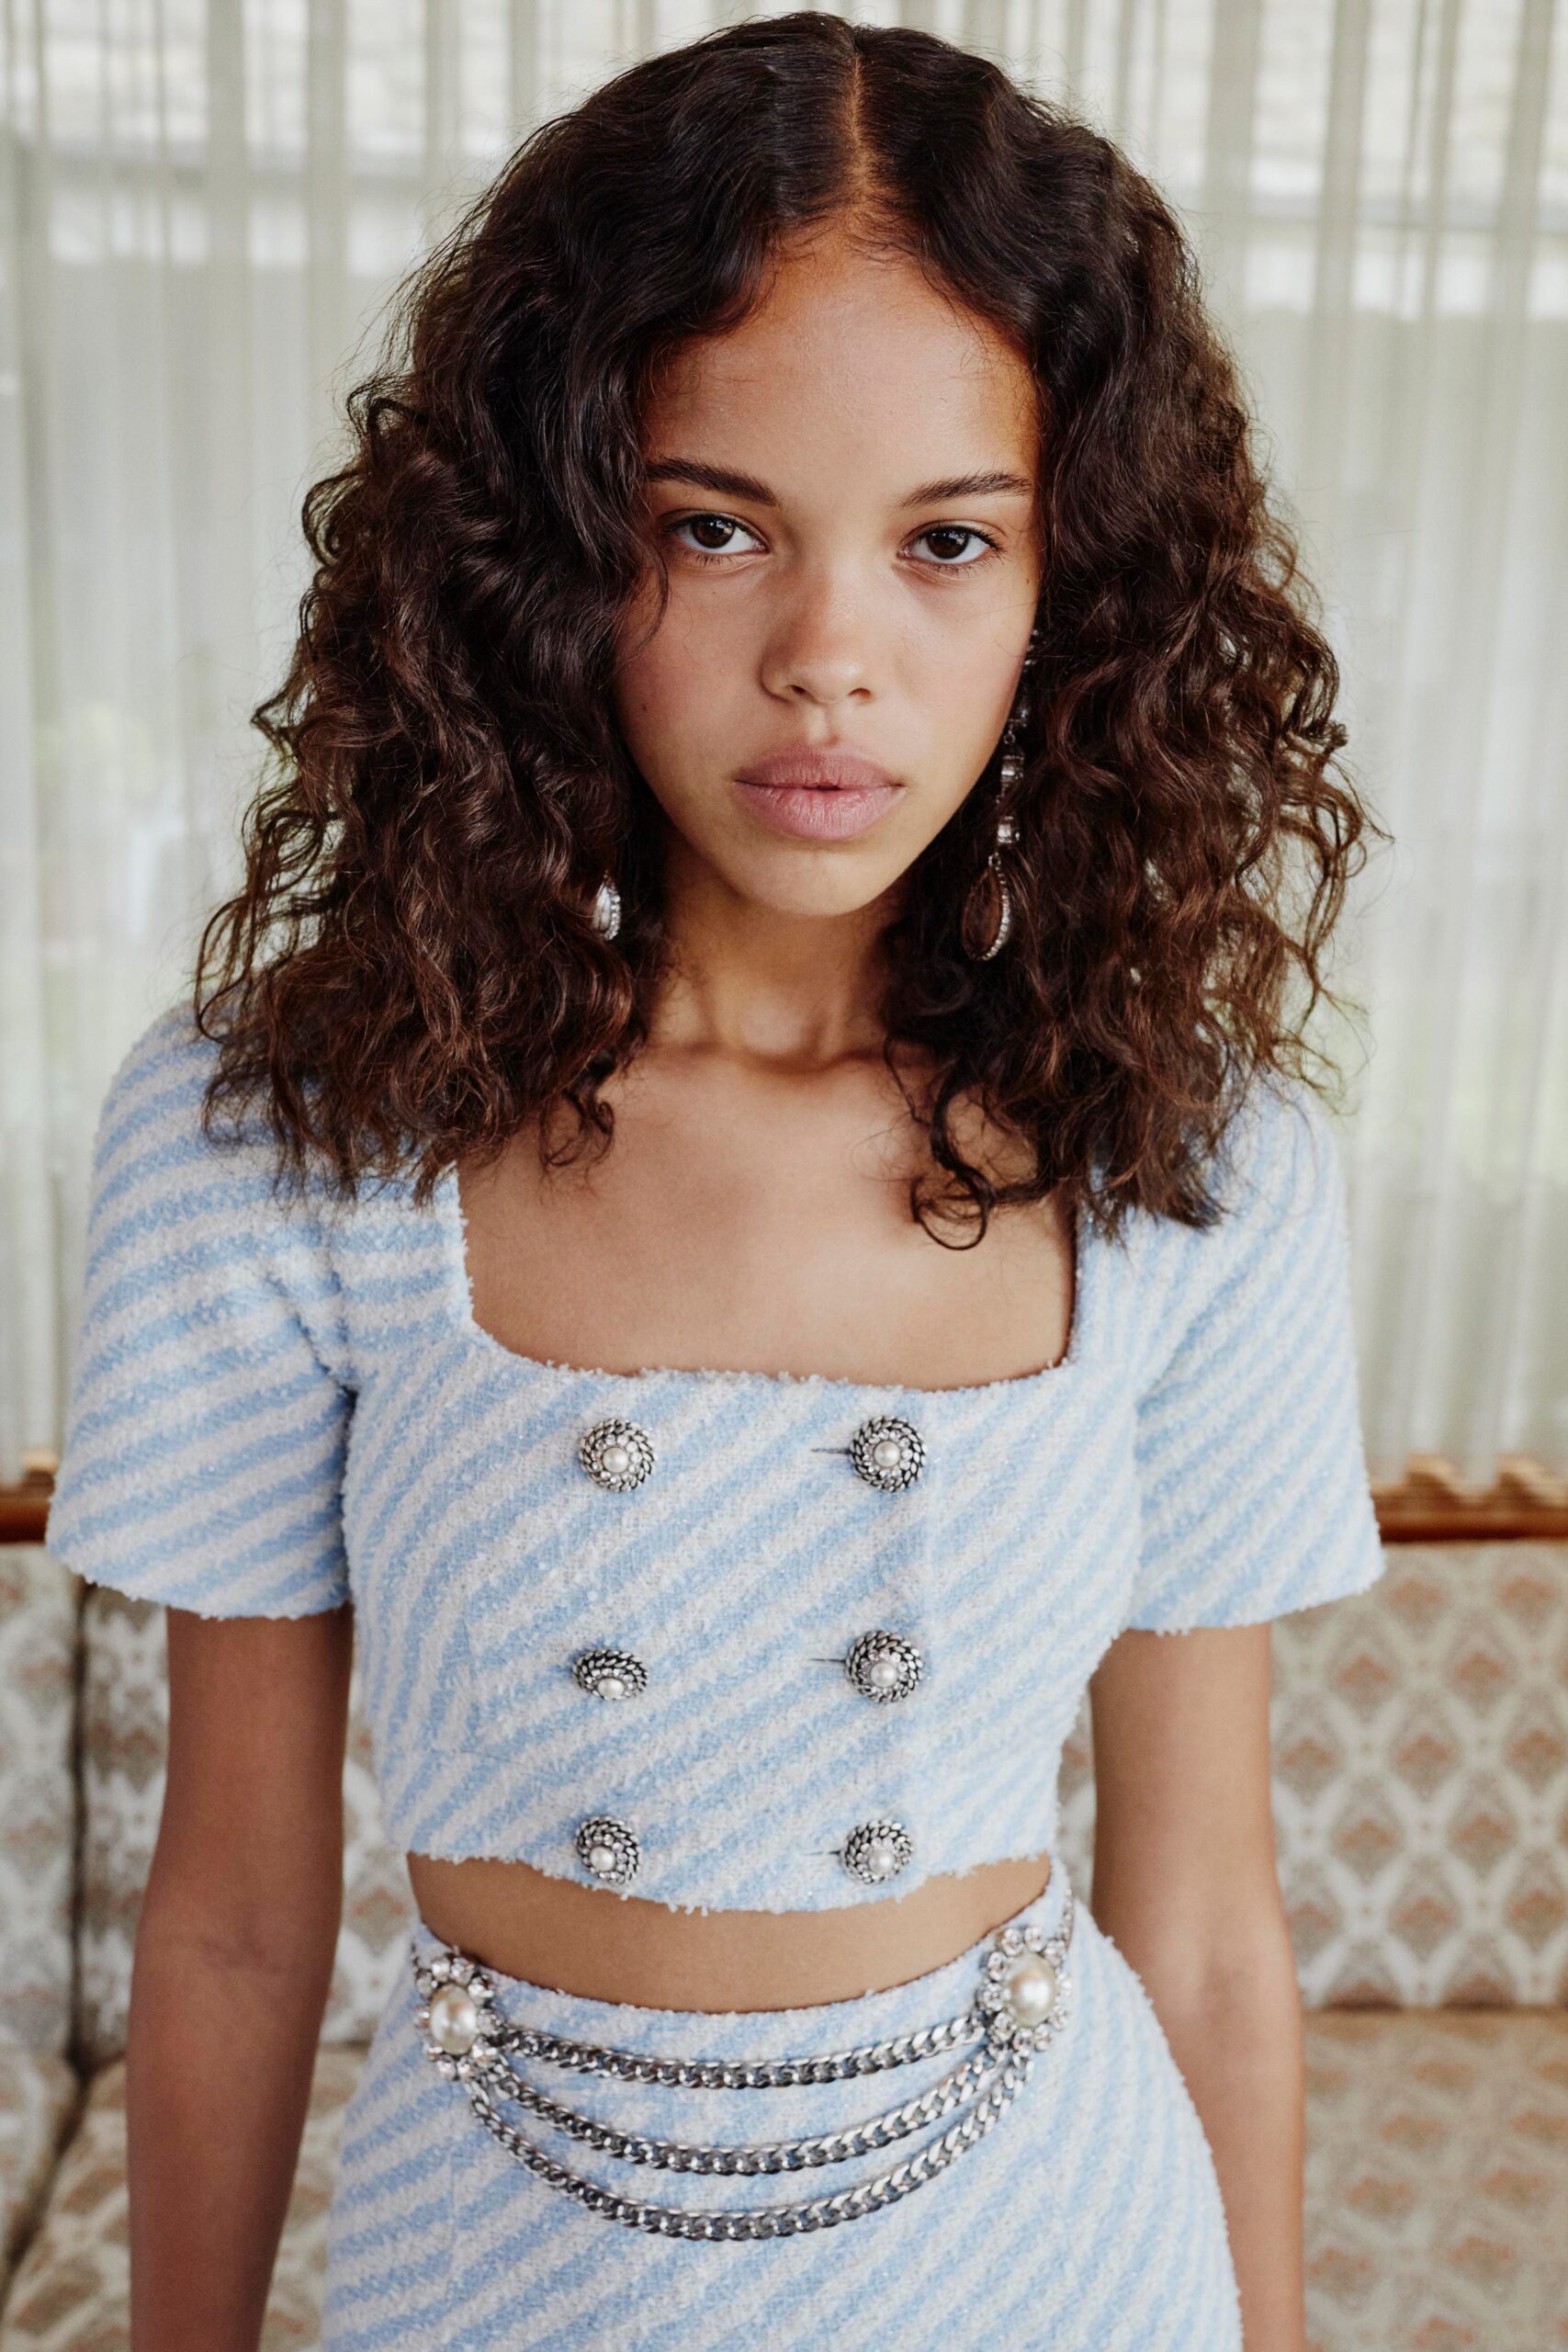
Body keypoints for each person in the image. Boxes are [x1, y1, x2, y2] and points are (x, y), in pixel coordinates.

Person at [45, 13, 1392, 2349]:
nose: (826, 662)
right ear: (548, 548)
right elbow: (237, 1925)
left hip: (1051, 2253)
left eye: (945, 540)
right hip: (497, 2255)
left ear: (1072, 587)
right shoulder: (277, 1136)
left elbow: (1198, 1932)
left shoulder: (1192, 1162)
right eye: (713, 527)